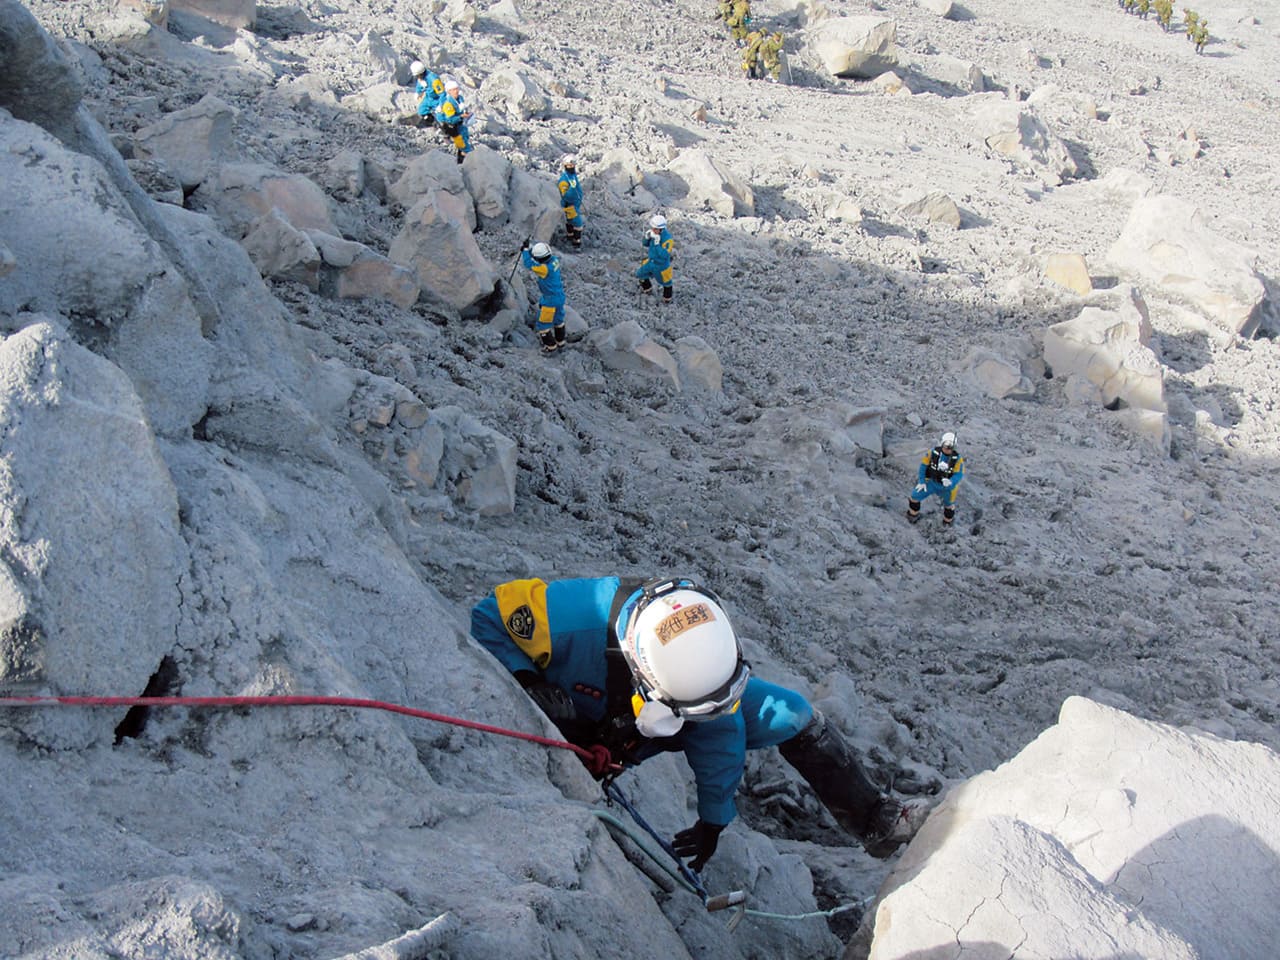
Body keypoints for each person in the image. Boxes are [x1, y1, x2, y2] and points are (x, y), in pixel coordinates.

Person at [470, 575, 927, 870]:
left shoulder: (707, 669)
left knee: (793, 714)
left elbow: (718, 736)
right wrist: (527, 680)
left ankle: (876, 819)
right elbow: (488, 617)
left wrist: (714, 819)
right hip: (579, 708)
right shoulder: (570, 619)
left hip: (651, 712)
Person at [907, 431, 965, 526]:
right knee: (914, 496)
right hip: (931, 482)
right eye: (946, 446)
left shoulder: (957, 459)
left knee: (949, 505)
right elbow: (923, 466)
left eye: (951, 447)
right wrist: (922, 481)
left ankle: (947, 522)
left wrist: (951, 482)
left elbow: (959, 474)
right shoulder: (932, 453)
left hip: (947, 488)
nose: (947, 449)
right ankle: (913, 515)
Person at [520, 240, 567, 353]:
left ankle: (550, 347)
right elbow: (539, 257)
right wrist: (529, 250)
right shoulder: (554, 261)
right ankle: (561, 342)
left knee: (543, 326)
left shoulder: (544, 269)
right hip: (560, 296)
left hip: (550, 301)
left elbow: (528, 264)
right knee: (558, 320)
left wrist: (525, 252)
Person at [636, 213, 675, 304]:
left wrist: (657, 244)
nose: (653, 230)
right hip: (651, 262)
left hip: (661, 266)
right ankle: (648, 289)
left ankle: (667, 300)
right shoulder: (653, 234)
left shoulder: (668, 239)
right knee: (640, 274)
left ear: (661, 229)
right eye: (652, 228)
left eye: (655, 229)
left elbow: (664, 255)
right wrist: (646, 238)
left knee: (667, 283)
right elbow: (645, 244)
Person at [434, 77, 473, 164]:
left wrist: (465, 114)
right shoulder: (448, 104)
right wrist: (461, 116)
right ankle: (463, 157)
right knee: (461, 142)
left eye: (457, 89)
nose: (456, 91)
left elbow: (461, 108)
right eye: (453, 90)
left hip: (459, 122)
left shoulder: (459, 98)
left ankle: (462, 156)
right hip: (450, 124)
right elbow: (450, 119)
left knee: (465, 136)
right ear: (449, 91)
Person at [557, 155, 585, 250]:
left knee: (570, 222)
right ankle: (576, 243)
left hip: (575, 203)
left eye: (573, 165)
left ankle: (570, 236)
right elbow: (565, 196)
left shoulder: (572, 175)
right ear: (565, 166)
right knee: (578, 223)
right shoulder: (564, 180)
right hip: (570, 206)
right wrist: (572, 189)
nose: (572, 167)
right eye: (569, 165)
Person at [409, 60, 443, 126]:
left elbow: (442, 94)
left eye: (418, 75)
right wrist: (417, 92)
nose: (417, 77)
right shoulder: (421, 78)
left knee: (441, 116)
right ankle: (432, 122)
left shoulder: (434, 79)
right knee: (422, 110)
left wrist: (440, 105)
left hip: (437, 99)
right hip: (428, 98)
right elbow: (419, 85)